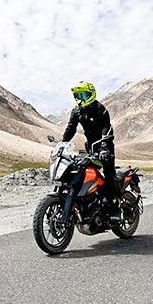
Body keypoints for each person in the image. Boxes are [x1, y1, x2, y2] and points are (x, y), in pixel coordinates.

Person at [61, 82, 119, 216]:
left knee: (109, 173)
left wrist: (105, 147)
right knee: (83, 172)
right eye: (77, 95)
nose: (80, 98)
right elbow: (71, 128)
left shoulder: (99, 109)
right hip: (91, 147)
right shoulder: (76, 111)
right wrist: (62, 143)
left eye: (83, 95)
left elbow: (107, 127)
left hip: (105, 146)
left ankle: (115, 206)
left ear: (91, 94)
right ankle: (88, 201)